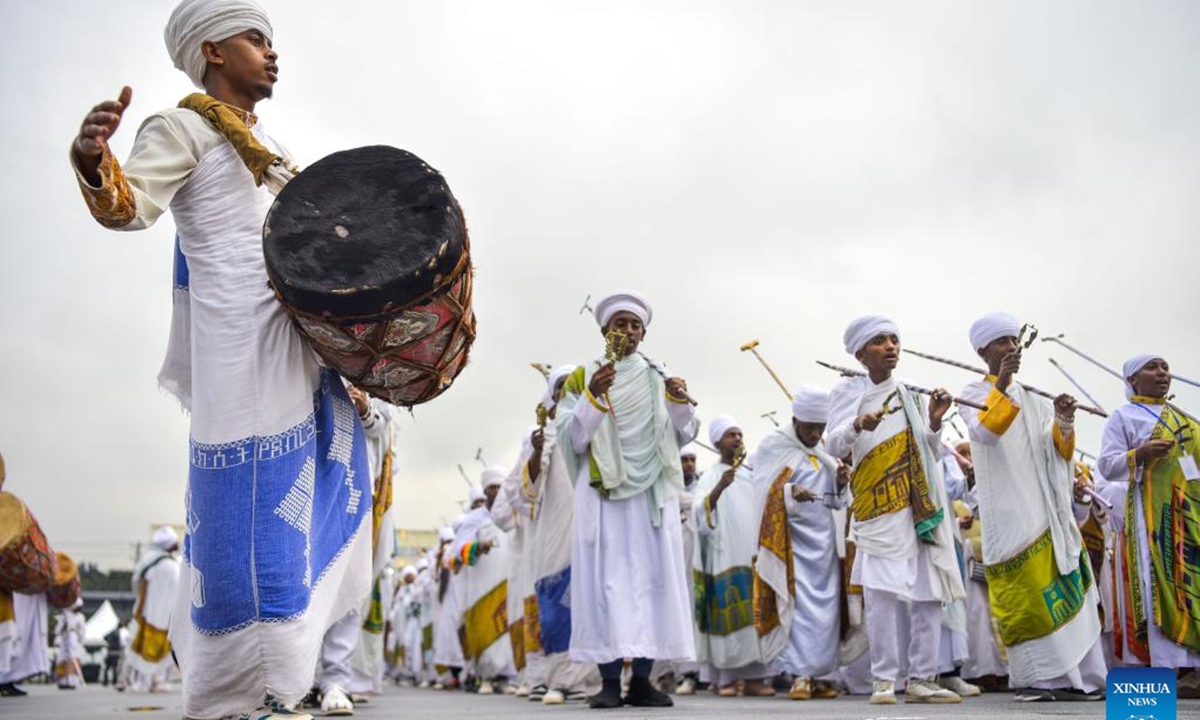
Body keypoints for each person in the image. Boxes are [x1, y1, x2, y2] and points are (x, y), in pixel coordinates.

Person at [70, 1, 372, 716]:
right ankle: (238, 691)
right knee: (249, 527)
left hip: (297, 347)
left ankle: (284, 683)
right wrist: (91, 162)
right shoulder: (181, 128)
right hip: (237, 349)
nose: (271, 53)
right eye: (254, 39)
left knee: (311, 510)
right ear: (211, 51)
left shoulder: (273, 147)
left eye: (272, 42)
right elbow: (130, 206)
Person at [558, 290, 698, 709]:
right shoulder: (584, 375)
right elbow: (573, 439)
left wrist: (679, 401)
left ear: (644, 333)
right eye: (621, 323)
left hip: (651, 495)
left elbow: (685, 434)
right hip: (602, 496)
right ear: (605, 330)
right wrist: (594, 398)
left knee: (653, 582)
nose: (629, 331)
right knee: (605, 584)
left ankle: (641, 681)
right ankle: (605, 682)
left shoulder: (658, 375)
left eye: (636, 325)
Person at [960, 313, 1105, 702]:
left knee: (1068, 591)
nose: (1012, 348)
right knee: (1030, 597)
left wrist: (1064, 419)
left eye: (1014, 341)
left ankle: (1086, 679)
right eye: (1002, 342)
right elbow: (985, 434)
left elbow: (1056, 451)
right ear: (982, 351)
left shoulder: (1035, 395)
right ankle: (1043, 680)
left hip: (1048, 514)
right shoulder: (971, 391)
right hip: (1011, 518)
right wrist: (1003, 383)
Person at [826, 316, 964, 705]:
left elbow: (930, 451)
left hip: (918, 506)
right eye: (880, 341)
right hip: (877, 507)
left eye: (894, 340)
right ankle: (883, 680)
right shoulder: (847, 394)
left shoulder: (910, 395)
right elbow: (833, 445)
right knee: (882, 594)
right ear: (859, 353)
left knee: (929, 592)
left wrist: (935, 420)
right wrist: (857, 424)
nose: (890, 347)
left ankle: (922, 678)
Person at [1099, 354, 1200, 696]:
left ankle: (1195, 668)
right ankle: (1170, 669)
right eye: (1153, 368)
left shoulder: (1183, 418)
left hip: (1190, 514)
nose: (1162, 373)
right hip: (1152, 517)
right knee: (1160, 579)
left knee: (1192, 582)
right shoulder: (1122, 417)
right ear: (1131, 380)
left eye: (1166, 368)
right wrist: (1139, 454)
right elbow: (1107, 467)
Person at [753, 386, 848, 701]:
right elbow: (765, 491)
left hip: (823, 546)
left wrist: (840, 482)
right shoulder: (774, 445)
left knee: (826, 610)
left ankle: (820, 675)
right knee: (797, 607)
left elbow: (836, 503)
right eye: (810, 427)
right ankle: (799, 676)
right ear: (795, 420)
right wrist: (790, 492)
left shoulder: (823, 455)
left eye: (821, 428)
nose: (816, 433)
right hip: (790, 544)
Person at [520, 366, 600, 705]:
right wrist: (537, 451)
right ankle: (558, 678)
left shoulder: (594, 425)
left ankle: (587, 678)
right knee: (556, 601)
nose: (567, 391)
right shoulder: (544, 435)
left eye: (573, 385)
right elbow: (529, 491)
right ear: (553, 395)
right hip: (555, 529)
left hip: (591, 524)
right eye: (561, 387)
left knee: (591, 599)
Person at [692, 416, 772, 696]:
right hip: (724, 556)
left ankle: (754, 680)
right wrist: (719, 488)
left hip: (751, 556)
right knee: (728, 620)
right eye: (730, 435)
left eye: (739, 434)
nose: (737, 439)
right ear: (717, 443)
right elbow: (699, 515)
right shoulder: (711, 477)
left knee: (753, 620)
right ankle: (725, 679)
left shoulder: (751, 474)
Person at [127, 526, 182, 693]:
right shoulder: (175, 565)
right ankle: (157, 680)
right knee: (162, 647)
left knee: (139, 646)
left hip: (146, 613)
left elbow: (136, 583)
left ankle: (137, 680)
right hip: (166, 616)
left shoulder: (147, 560)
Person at [0, 591, 49, 697]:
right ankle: (4, 679)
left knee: (21, 635)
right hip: (17, 592)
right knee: (14, 634)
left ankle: (7, 679)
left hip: (27, 592)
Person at [54, 599, 87, 690]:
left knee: (74, 661)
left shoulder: (80, 617)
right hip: (65, 642)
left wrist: (77, 631)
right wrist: (63, 626)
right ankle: (63, 681)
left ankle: (73, 681)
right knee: (63, 660)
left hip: (75, 642)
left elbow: (83, 631)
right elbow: (57, 631)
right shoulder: (65, 616)